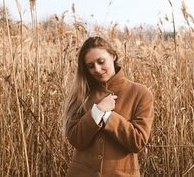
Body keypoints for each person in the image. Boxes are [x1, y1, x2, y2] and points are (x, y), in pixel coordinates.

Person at [63, 36, 154, 177]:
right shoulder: (82, 93)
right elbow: (76, 140)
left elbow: (138, 141)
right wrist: (96, 112)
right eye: (90, 66)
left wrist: (107, 116)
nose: (97, 69)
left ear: (113, 56)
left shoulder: (140, 93)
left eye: (101, 62)